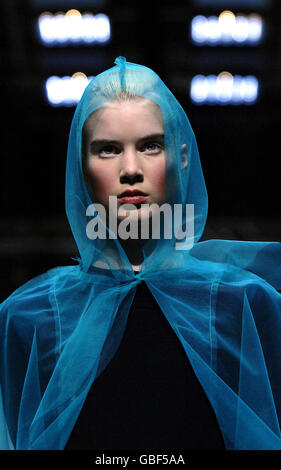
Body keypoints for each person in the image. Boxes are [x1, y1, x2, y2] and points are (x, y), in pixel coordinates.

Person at [0, 56, 281, 451]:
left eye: (151, 145)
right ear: (80, 168)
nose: (131, 169)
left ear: (182, 159)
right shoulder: (27, 318)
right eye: (108, 150)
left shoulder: (247, 306)